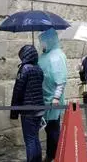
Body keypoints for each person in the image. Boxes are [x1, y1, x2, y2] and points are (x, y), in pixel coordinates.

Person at [38, 28, 68, 162]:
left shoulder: (57, 56)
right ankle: (50, 154)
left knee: (53, 129)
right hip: (44, 98)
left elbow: (61, 80)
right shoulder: (44, 55)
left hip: (53, 100)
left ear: (49, 40)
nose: (41, 45)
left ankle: (54, 155)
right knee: (48, 128)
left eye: (43, 42)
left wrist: (56, 97)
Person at [10, 45, 44, 162]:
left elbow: (17, 91)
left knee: (29, 140)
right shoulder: (39, 69)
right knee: (35, 138)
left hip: (28, 110)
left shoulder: (24, 69)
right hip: (39, 108)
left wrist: (14, 112)